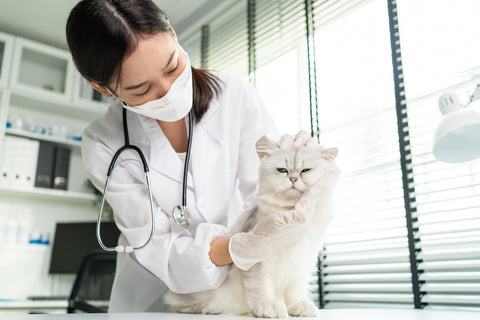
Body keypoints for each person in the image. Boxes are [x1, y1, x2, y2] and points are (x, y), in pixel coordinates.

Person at [66, 0, 310, 312]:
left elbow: (263, 196)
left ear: (171, 28)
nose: (167, 90)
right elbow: (158, 247)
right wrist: (238, 247)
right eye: (141, 90)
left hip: (240, 291)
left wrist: (293, 178)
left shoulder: (235, 95)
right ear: (102, 88)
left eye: (172, 67)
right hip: (153, 297)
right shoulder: (103, 144)